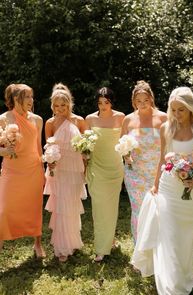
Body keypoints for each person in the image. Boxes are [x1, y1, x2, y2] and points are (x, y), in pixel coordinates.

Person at [131, 86, 193, 295]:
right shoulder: (166, 127)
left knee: (187, 234)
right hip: (168, 188)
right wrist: (156, 184)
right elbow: (162, 158)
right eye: (173, 110)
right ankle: (170, 280)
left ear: (190, 108)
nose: (176, 115)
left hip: (191, 189)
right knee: (170, 234)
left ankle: (184, 274)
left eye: (180, 110)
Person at [0, 83, 45, 257]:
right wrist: (4, 151)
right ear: (15, 99)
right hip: (11, 172)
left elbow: (38, 147)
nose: (31, 100)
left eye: (31, 97)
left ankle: (38, 244)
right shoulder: (3, 119)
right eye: (27, 96)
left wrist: (44, 169)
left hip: (33, 171)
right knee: (3, 211)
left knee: (34, 208)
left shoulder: (37, 119)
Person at [44, 84, 86, 262]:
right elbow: (48, 146)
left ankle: (73, 242)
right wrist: (50, 162)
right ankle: (62, 247)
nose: (60, 109)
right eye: (56, 106)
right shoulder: (50, 123)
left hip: (75, 169)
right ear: (52, 106)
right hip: (59, 170)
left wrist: (86, 160)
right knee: (61, 207)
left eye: (64, 105)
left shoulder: (79, 121)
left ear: (69, 104)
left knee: (72, 207)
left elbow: (86, 147)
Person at [121, 80, 167, 242]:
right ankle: (139, 250)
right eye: (138, 101)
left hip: (157, 172)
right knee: (139, 210)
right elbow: (122, 143)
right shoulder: (128, 120)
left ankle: (157, 248)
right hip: (135, 173)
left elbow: (169, 146)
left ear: (151, 99)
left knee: (158, 210)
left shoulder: (163, 118)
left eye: (145, 100)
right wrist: (126, 155)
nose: (142, 104)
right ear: (133, 102)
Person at [85, 87, 125, 262]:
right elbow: (86, 145)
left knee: (111, 207)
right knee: (99, 209)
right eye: (100, 102)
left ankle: (110, 240)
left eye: (106, 102)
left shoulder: (121, 117)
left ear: (111, 102)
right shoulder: (90, 119)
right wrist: (84, 156)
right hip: (96, 168)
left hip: (115, 168)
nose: (103, 106)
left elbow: (125, 142)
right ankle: (101, 248)